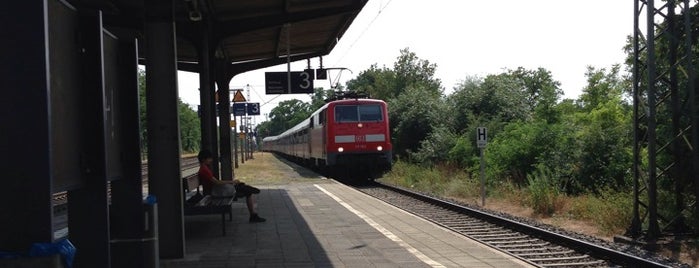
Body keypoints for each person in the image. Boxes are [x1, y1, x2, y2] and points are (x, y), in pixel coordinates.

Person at [197, 150, 266, 223]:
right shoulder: (204, 170)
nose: (211, 160)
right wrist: (232, 182)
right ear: (203, 159)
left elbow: (216, 182)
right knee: (247, 192)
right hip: (216, 192)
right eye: (209, 158)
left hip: (217, 190)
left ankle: (245, 190)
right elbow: (217, 182)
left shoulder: (204, 169)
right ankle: (253, 215)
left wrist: (232, 183)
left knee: (244, 189)